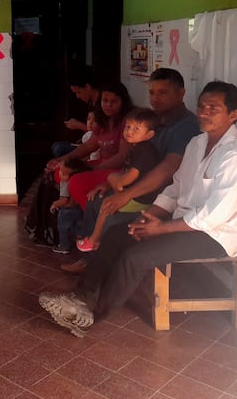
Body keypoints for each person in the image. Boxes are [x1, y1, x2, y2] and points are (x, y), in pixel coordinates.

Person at [39, 81, 237, 338]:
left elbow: (214, 216)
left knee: (136, 256)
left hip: (215, 235)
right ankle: (81, 297)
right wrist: (151, 216)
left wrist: (162, 228)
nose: (203, 113)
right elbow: (176, 187)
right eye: (201, 106)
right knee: (116, 235)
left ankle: (90, 315)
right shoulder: (197, 144)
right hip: (183, 224)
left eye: (213, 108)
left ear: (234, 115)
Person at [59, 68, 200, 275]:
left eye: (163, 93)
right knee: (96, 200)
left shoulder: (186, 126)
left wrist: (125, 194)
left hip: (161, 198)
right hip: (139, 188)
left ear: (180, 94)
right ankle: (90, 257)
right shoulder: (153, 119)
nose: (155, 98)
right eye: (152, 93)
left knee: (112, 217)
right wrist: (109, 183)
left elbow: (167, 169)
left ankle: (101, 269)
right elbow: (133, 161)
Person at [76, 107, 160, 252]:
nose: (129, 131)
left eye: (136, 129)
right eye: (128, 127)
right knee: (96, 198)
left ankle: (93, 240)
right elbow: (126, 170)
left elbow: (129, 176)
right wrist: (110, 183)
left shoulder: (145, 151)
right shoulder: (136, 147)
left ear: (149, 134)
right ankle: (87, 238)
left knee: (106, 207)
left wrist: (116, 182)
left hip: (139, 199)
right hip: (130, 192)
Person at [46, 81, 134, 211]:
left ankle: (89, 214)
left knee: (75, 180)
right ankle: (74, 201)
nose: (108, 105)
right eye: (105, 100)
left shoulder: (128, 122)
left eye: (114, 101)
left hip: (118, 170)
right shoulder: (103, 120)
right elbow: (88, 146)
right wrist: (62, 160)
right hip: (101, 164)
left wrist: (91, 168)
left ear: (123, 102)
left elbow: (121, 157)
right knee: (60, 170)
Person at [49, 158, 91, 254]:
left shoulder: (65, 184)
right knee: (78, 223)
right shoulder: (81, 181)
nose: (59, 174)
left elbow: (64, 200)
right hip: (78, 208)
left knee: (63, 228)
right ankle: (81, 239)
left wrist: (54, 204)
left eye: (63, 173)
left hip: (67, 210)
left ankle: (64, 246)